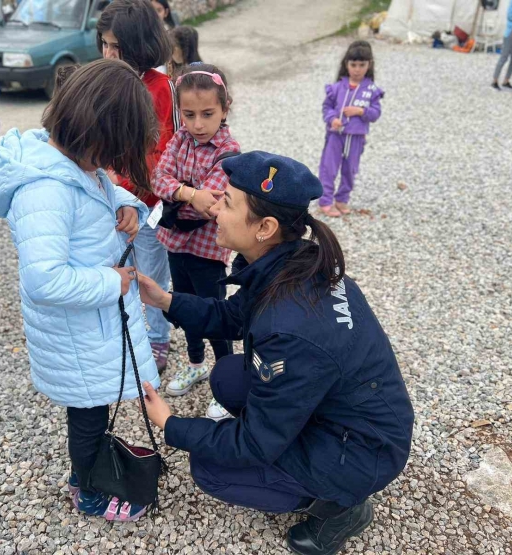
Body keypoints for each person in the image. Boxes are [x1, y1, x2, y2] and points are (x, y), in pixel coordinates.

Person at [138, 151, 414, 555]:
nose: (215, 208)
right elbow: (235, 316)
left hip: (362, 450)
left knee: (210, 468)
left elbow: (253, 443)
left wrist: (171, 425)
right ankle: (303, 462)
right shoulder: (293, 263)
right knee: (230, 376)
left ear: (265, 227)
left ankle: (341, 507)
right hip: (346, 412)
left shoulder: (289, 327)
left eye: (227, 203)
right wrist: (165, 300)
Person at [0, 59, 160, 522]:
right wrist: (112, 281)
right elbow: (43, 280)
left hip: (91, 325)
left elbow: (101, 189)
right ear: (97, 134)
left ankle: (86, 473)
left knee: (92, 413)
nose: (110, 165)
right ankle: (89, 491)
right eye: (113, 151)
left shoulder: (75, 163)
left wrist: (126, 205)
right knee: (86, 418)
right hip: (77, 331)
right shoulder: (45, 190)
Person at [153, 63, 240, 421]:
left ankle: (228, 381)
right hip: (176, 244)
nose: (198, 124)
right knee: (184, 306)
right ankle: (195, 363)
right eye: (189, 115)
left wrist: (178, 196)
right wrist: (190, 193)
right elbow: (156, 177)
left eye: (208, 114)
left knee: (214, 312)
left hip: (208, 249)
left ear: (225, 108)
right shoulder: (179, 139)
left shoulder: (230, 150)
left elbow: (213, 205)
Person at [97, 0, 179, 373]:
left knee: (150, 274)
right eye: (105, 45)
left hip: (148, 205)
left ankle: (158, 340)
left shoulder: (159, 87)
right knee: (113, 268)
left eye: (118, 47)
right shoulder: (107, 80)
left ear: (140, 44)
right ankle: (126, 335)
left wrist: (123, 185)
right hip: (109, 195)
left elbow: (159, 152)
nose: (110, 54)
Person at [318, 41, 383, 218]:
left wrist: (361, 111)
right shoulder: (337, 87)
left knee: (350, 169)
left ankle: (342, 198)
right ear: (346, 64)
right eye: (353, 64)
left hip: (356, 137)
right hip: (335, 136)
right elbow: (327, 108)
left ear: (369, 65)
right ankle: (325, 200)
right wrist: (332, 119)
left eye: (362, 65)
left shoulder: (371, 90)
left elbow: (376, 113)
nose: (357, 69)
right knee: (328, 168)